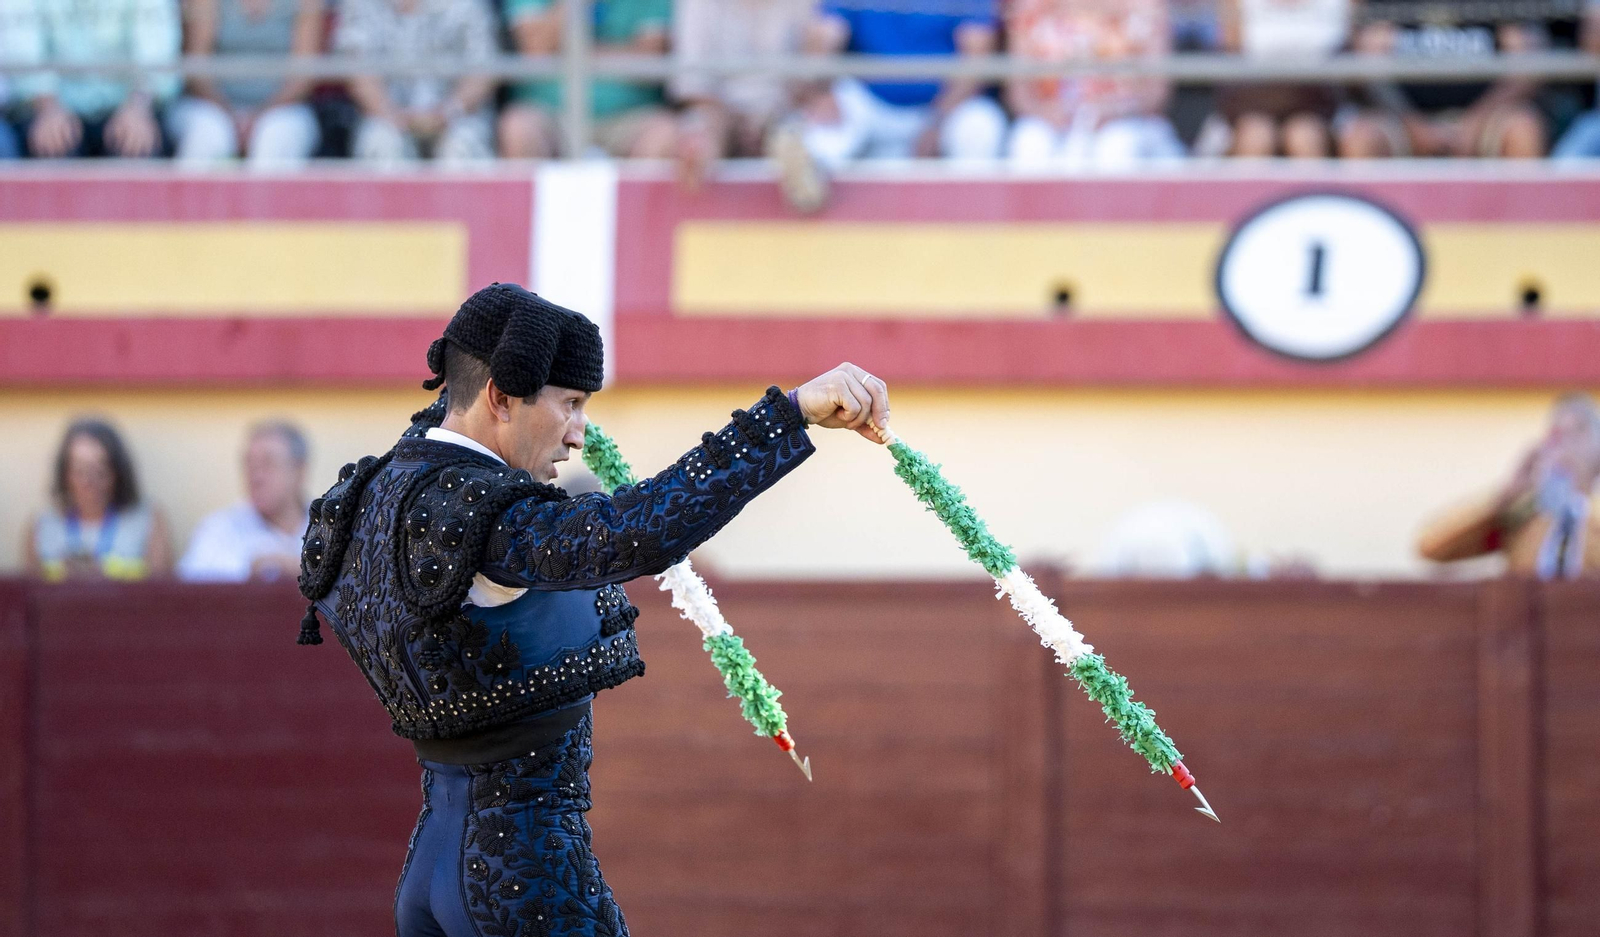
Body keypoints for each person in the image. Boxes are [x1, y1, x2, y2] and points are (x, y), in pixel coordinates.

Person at [296, 283, 890, 936]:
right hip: (526, 882)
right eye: (571, 404)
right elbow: (635, 531)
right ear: (499, 396)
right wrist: (791, 413)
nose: (579, 433)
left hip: (430, 876)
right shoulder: (485, 515)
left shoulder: (373, 491)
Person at [770, 0, 1008, 210]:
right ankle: (811, 187)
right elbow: (825, 37)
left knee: (981, 126)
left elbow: (976, 59)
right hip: (868, 100)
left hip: (943, 109)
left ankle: (972, 223)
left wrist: (937, 120)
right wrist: (821, 91)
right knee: (822, 126)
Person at [1419, 394, 1600, 579]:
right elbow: (1431, 548)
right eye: (1557, 435)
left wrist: (1581, 494)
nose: (1567, 444)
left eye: (1579, 431)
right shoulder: (1523, 516)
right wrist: (1506, 494)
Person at [1339, 3, 1548, 158]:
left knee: (1523, 129)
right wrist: (1412, 123)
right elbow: (1370, 73)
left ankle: (1523, 218)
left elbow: (1524, 71)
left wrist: (1476, 121)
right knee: (1361, 135)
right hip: (1405, 120)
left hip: (1486, 118)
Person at [1004, 0, 1186, 167]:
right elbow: (1019, 94)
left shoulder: (1145, 8)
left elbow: (1156, 93)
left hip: (1130, 122)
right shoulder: (1031, 9)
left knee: (1116, 145)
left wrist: (1113, 112)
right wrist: (1052, 115)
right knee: (1030, 141)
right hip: (1053, 122)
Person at [497, 0, 676, 159]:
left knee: (664, 135)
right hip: (549, 113)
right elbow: (536, 48)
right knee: (517, 129)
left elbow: (647, 59)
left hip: (630, 116)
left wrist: (570, 54)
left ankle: (637, 199)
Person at [6, 0, 181, 158]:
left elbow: (157, 51)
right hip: (48, 111)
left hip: (128, 110)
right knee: (51, 154)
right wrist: (48, 108)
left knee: (137, 151)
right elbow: (23, 52)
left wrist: (137, 108)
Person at [668, 0, 813, 188]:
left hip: (780, 112)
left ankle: (799, 166)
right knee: (703, 128)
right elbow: (693, 86)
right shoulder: (698, 4)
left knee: (792, 130)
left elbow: (807, 84)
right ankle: (699, 159)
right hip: (716, 110)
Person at [336, 0, 498, 163]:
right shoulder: (359, 4)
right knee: (380, 141)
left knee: (462, 145)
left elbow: (482, 72)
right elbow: (357, 71)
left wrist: (448, 112)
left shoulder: (468, 4)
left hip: (457, 117)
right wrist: (392, 115)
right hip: (385, 117)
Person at [167, 0, 326, 165]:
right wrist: (230, 116)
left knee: (275, 137)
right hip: (210, 106)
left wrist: (258, 117)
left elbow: (303, 77)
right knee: (208, 135)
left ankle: (262, 192)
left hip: (285, 108)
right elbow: (197, 68)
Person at [24, 418, 174, 582]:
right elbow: (30, 594)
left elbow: (161, 592)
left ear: (118, 472)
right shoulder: (43, 525)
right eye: (80, 469)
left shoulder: (148, 519)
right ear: (64, 473)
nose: (89, 481)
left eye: (100, 469)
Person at [1201, 0, 1350, 158]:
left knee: (1306, 136)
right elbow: (1230, 55)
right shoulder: (1235, 4)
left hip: (1322, 106)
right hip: (1250, 104)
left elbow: (1352, 54)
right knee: (1256, 137)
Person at [178, 421, 312, 583]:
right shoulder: (217, 530)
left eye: (267, 463)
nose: (256, 476)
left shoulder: (334, 527)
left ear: (299, 470)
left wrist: (304, 569)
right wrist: (251, 570)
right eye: (250, 464)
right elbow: (188, 590)